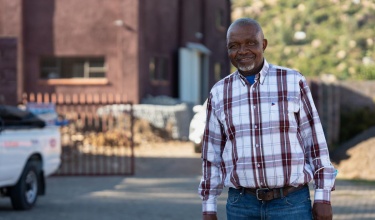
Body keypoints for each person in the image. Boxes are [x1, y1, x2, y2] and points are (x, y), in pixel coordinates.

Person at [198, 18, 336, 220]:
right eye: (234, 46)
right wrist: (208, 208)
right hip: (240, 206)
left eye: (250, 43)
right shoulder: (219, 93)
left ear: (263, 44)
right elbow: (211, 155)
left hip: (291, 204)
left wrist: (323, 197)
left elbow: (314, 143)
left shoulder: (292, 81)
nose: (242, 51)